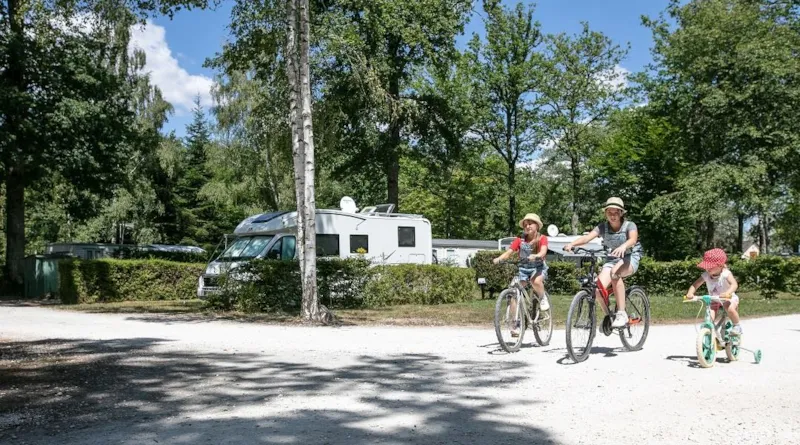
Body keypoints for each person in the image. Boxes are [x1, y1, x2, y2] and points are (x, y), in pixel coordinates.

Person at [564, 197, 643, 327]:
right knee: (596, 288)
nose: (612, 216)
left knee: (615, 273)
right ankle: (609, 317)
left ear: (621, 213)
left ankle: (622, 313)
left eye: (616, 212)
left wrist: (624, 246)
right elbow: (587, 238)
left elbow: (633, 240)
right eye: (609, 213)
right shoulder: (602, 227)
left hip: (630, 257)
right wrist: (571, 244)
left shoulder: (630, 225)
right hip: (613, 259)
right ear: (605, 213)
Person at [493, 213, 550, 337]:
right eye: (525, 224)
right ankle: (515, 324)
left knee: (535, 281)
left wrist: (536, 255)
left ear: (537, 226)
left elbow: (543, 251)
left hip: (538, 268)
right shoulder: (520, 239)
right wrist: (499, 258)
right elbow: (509, 252)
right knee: (514, 293)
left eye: (530, 223)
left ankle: (542, 297)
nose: (527, 226)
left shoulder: (542, 238)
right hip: (523, 269)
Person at [685, 248, 742, 336]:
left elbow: (734, 284)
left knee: (729, 308)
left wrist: (728, 293)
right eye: (706, 266)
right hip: (715, 299)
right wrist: (690, 293)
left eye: (710, 266)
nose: (708, 269)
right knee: (709, 314)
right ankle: (708, 329)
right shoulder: (706, 275)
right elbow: (695, 284)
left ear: (720, 265)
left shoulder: (726, 274)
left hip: (728, 298)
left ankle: (737, 326)